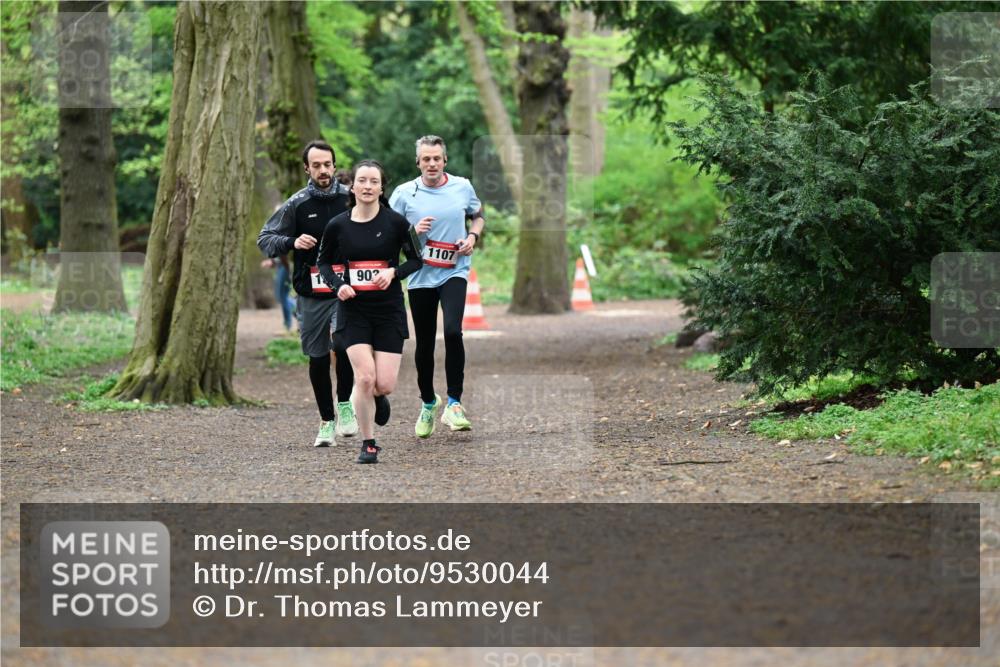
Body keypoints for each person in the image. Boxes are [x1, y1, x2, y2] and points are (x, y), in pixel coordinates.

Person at [317, 160, 423, 464]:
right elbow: (324, 263)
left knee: (383, 383)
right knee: (363, 377)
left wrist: (393, 272)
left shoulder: (397, 223)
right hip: (353, 310)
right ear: (353, 186)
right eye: (362, 181)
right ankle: (369, 443)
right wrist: (338, 285)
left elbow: (417, 260)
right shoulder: (337, 224)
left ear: (381, 187)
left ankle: (379, 396)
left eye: (373, 182)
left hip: (388, 310)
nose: (367, 186)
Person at [257, 140, 358, 447]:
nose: (323, 170)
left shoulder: (350, 198)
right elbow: (265, 239)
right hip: (310, 291)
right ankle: (326, 421)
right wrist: (291, 242)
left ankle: (344, 404)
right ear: (307, 169)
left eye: (327, 164)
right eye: (316, 165)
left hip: (344, 288)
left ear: (335, 165)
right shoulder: (296, 203)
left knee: (343, 345)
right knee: (316, 357)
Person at [388, 135, 485, 438]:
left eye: (437, 158)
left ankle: (454, 403)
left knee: (454, 331)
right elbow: (387, 233)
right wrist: (412, 233)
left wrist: (472, 238)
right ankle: (429, 402)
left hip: (454, 271)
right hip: (420, 275)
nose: (432, 163)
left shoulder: (462, 186)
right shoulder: (404, 194)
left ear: (445, 161)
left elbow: (478, 216)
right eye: (426, 159)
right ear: (417, 162)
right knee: (425, 343)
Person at [260, 255, 295, 332]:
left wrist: (273, 261)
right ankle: (288, 325)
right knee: (281, 297)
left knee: (283, 297)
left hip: (286, 265)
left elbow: (286, 248)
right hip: (281, 265)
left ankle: (288, 326)